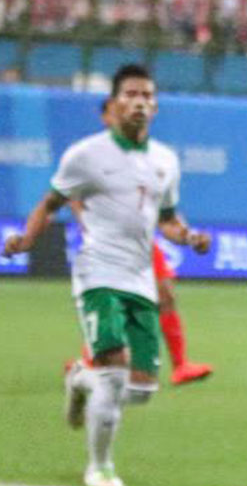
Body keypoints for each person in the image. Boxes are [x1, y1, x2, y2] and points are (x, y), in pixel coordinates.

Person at [2, 64, 211, 486]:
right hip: (97, 272)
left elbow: (167, 220)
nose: (139, 101)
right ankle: (99, 467)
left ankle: (79, 378)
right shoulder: (86, 155)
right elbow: (50, 202)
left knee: (142, 389)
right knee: (114, 374)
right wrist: (25, 239)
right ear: (114, 104)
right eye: (130, 94)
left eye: (147, 95)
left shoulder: (165, 161)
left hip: (140, 277)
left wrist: (188, 236)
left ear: (154, 105)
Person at [66, 99, 214, 386]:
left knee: (166, 295)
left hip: (142, 242)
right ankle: (88, 363)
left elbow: (159, 206)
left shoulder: (146, 155)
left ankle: (181, 365)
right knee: (116, 306)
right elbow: (73, 197)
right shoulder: (93, 154)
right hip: (109, 247)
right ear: (106, 117)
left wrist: (184, 233)